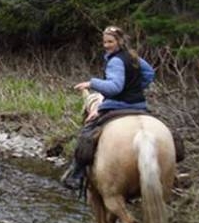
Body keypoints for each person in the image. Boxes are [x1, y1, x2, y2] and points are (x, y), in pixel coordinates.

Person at [61, 25, 155, 191]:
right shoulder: (133, 57)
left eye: (110, 41)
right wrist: (134, 87)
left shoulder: (115, 61)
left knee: (86, 135)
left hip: (117, 106)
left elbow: (115, 87)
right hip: (139, 106)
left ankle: (76, 174)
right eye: (104, 42)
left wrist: (92, 83)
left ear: (119, 41)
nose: (106, 45)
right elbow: (149, 74)